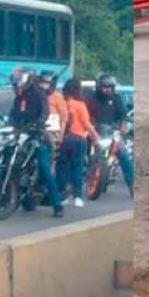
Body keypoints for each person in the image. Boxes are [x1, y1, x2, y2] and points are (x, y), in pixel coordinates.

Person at [8, 67, 64, 217]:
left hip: (37, 136)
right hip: (21, 135)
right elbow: (13, 115)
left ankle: (57, 205)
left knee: (45, 168)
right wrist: (10, 124)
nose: (16, 88)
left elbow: (45, 112)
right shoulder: (18, 98)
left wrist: (38, 123)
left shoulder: (39, 94)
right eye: (15, 85)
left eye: (18, 85)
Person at [86, 74, 134, 198]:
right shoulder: (92, 98)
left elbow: (123, 115)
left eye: (110, 87)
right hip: (96, 132)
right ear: (99, 87)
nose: (107, 90)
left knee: (124, 155)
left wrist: (123, 127)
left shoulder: (116, 99)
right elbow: (85, 114)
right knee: (82, 152)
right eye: (105, 87)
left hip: (112, 133)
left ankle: (132, 185)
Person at [56, 78, 99, 207]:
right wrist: (95, 136)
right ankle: (78, 197)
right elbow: (86, 124)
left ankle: (62, 196)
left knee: (62, 168)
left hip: (64, 138)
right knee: (77, 168)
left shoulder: (62, 103)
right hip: (78, 139)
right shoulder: (80, 105)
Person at [39, 70, 68, 144]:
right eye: (42, 82)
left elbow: (63, 119)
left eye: (46, 83)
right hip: (39, 131)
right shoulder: (37, 96)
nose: (43, 85)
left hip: (53, 133)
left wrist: (60, 137)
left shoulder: (58, 98)